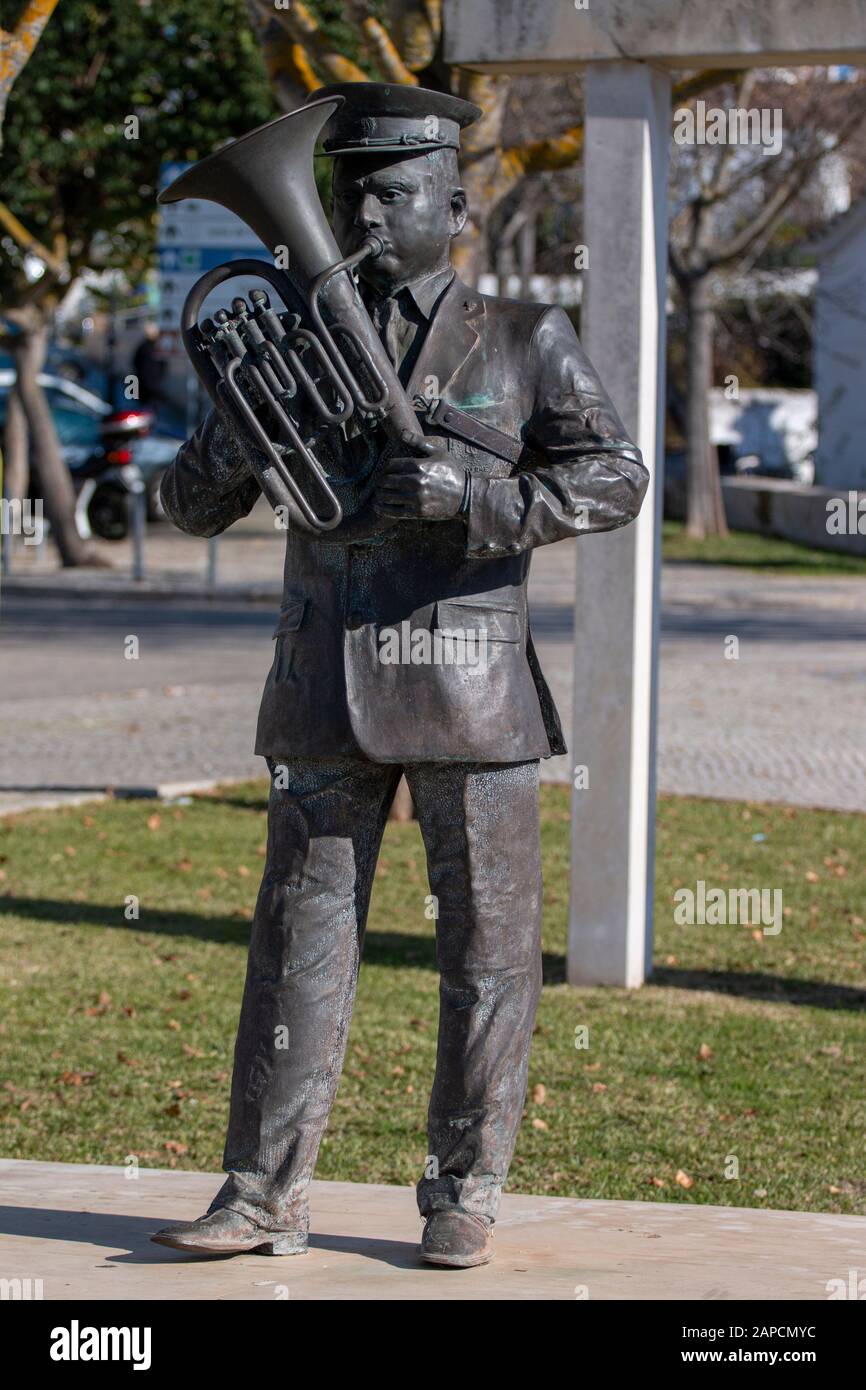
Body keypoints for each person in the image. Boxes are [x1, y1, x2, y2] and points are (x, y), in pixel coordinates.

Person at [151, 83, 649, 1269]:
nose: (362, 207)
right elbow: (184, 504)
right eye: (346, 188)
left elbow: (615, 476)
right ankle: (261, 1191)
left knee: (484, 960)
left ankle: (461, 1191)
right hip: (322, 690)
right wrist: (233, 418)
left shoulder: (526, 339)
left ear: (453, 203)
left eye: (388, 187)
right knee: (293, 949)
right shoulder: (289, 335)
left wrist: (476, 499)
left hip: (473, 697)